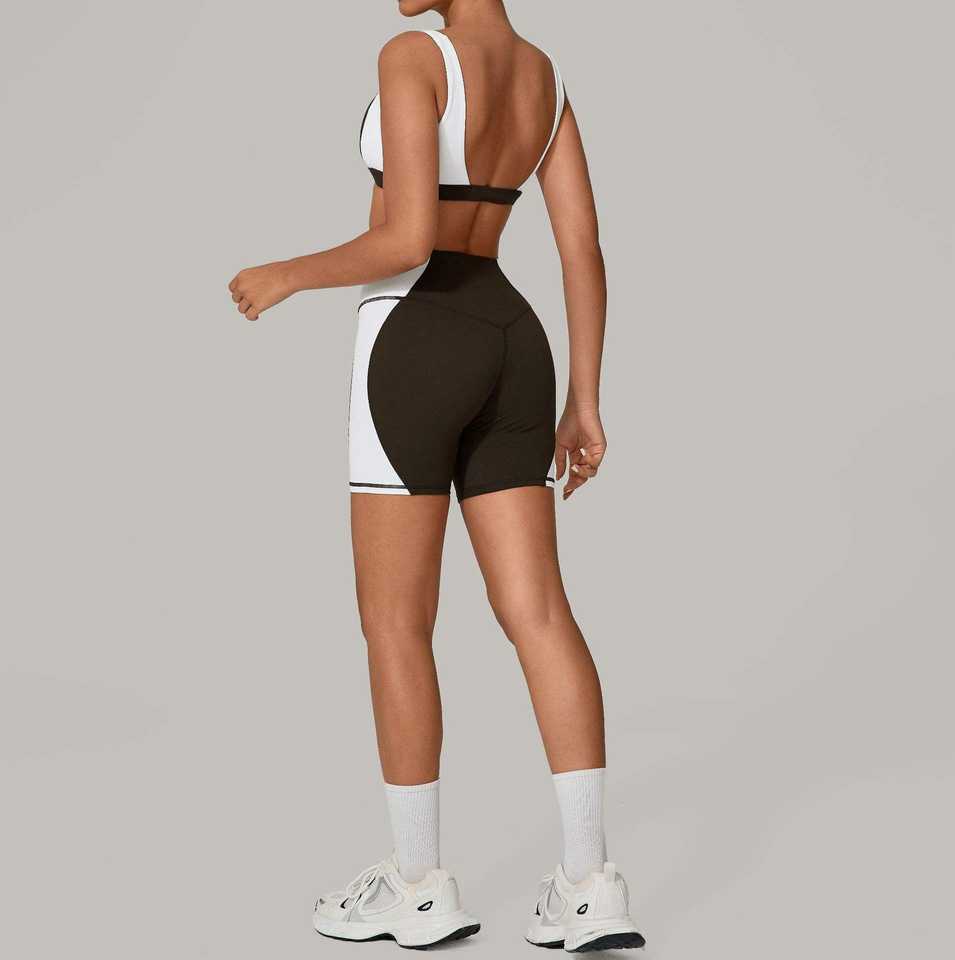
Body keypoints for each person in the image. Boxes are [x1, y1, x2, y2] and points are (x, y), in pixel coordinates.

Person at [228, 0, 644, 951]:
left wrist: (284, 274)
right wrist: (584, 401)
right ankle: (591, 885)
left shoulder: (413, 54)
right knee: (541, 612)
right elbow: (581, 247)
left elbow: (408, 239)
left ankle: (418, 886)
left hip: (415, 339)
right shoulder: (545, 77)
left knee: (395, 622)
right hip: (514, 341)